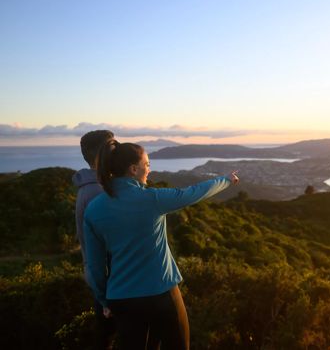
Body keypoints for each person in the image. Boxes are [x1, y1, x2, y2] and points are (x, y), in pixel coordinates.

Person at [84, 140, 239, 349]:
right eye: (147, 164)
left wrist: (104, 301)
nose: (149, 169)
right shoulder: (152, 198)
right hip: (161, 294)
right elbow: (194, 193)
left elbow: (94, 266)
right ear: (133, 169)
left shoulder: (93, 209)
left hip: (121, 299)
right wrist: (226, 180)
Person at [72, 130, 116, 349]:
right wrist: (105, 299)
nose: (117, 150)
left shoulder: (92, 188)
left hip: (105, 282)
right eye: (113, 146)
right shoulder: (97, 193)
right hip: (109, 285)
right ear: (102, 153)